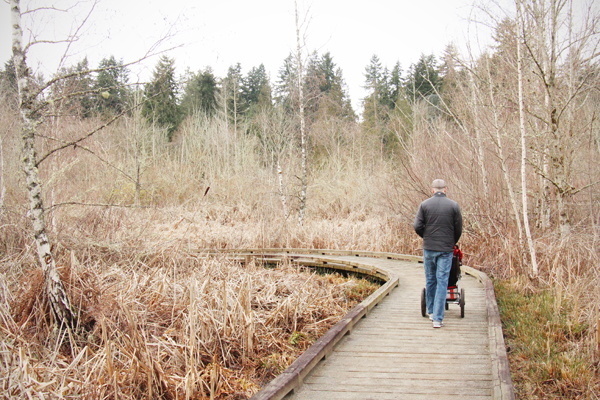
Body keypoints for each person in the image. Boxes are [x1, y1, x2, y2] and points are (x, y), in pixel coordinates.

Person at [413, 179, 462, 328]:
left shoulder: (425, 205)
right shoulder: (454, 206)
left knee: (430, 279)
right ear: (445, 189)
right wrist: (451, 241)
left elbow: (417, 226)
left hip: (429, 247)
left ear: (433, 190)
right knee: (442, 281)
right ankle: (438, 319)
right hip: (446, 249)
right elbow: (458, 228)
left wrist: (426, 237)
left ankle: (431, 311)